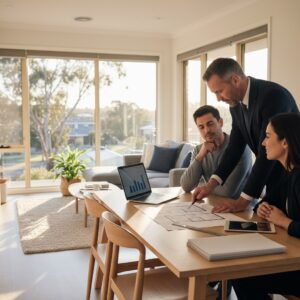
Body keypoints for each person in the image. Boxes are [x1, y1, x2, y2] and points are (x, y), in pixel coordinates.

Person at [192, 58, 299, 212]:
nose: (218, 98)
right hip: (273, 181)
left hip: (291, 178)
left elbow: (265, 154)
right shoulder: (236, 105)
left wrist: (241, 202)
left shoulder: (272, 96)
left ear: (235, 80)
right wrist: (211, 184)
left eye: (219, 91)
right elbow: (235, 147)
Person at [232, 112, 300, 299]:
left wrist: (284, 221)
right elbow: (265, 202)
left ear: (285, 142)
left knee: (242, 278)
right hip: (294, 258)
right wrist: (262, 208)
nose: (263, 143)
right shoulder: (288, 173)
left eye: (268, 136)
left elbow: (283, 218)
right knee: (238, 272)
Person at [180, 105, 251, 199]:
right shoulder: (199, 150)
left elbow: (227, 192)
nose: (206, 130)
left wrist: (204, 188)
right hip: (213, 205)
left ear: (220, 122)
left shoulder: (239, 148)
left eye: (210, 124)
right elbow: (186, 186)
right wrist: (200, 156)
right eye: (201, 127)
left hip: (242, 209)